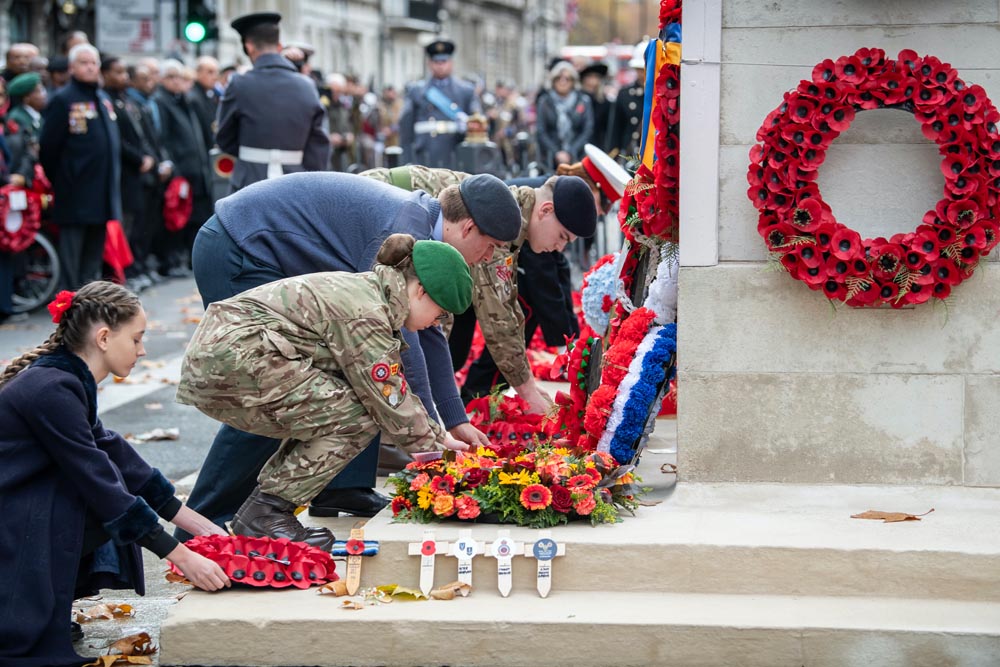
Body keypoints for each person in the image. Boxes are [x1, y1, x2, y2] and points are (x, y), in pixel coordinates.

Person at [175, 171, 519, 537]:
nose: (487, 258)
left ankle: (332, 490)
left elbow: (423, 339)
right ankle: (210, 524)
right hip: (240, 245)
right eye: (490, 246)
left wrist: (451, 421)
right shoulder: (390, 261)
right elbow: (390, 380)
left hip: (254, 288)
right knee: (305, 402)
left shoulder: (406, 274)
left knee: (334, 397)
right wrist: (436, 449)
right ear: (467, 229)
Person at [177, 236, 474, 546]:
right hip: (235, 359)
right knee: (356, 417)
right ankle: (266, 512)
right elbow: (387, 396)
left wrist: (438, 438)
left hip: (234, 355)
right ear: (421, 291)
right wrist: (436, 458)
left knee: (342, 407)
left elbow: (391, 386)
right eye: (439, 313)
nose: (435, 323)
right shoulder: (365, 312)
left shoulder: (371, 294)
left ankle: (266, 510)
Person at [0, 282, 229, 667]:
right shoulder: (51, 388)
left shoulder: (65, 379)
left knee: (113, 494)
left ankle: (51, 607)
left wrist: (196, 523)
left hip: (17, 503)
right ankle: (22, 620)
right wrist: (181, 557)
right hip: (12, 513)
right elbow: (98, 479)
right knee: (103, 499)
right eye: (137, 339)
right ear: (104, 337)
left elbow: (113, 451)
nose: (142, 351)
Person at [361, 166, 597, 404]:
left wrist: (528, 387)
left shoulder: (511, 212)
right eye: (562, 237)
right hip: (371, 212)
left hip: (382, 208)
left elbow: (506, 302)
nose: (559, 248)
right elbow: (498, 317)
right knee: (391, 320)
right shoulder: (501, 221)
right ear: (546, 210)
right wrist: (528, 395)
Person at [215, 12, 330, 192]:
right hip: (295, 184)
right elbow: (318, 144)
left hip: (249, 181)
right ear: (279, 46)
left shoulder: (239, 84)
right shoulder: (307, 86)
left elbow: (224, 138)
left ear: (249, 46)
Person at [39, 44, 121, 291]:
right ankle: (68, 304)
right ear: (72, 67)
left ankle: (88, 300)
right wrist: (65, 178)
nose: (90, 67)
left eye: (93, 62)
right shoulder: (63, 99)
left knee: (93, 256)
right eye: (84, 62)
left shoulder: (102, 98)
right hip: (75, 191)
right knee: (72, 257)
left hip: (102, 190)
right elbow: (48, 148)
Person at [398, 39, 480, 167]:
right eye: (436, 62)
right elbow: (406, 129)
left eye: (444, 61)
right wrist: (407, 159)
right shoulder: (416, 91)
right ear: (429, 64)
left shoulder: (466, 91)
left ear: (451, 63)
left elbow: (478, 125)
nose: (440, 66)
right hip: (424, 154)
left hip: (455, 153)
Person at [535, 61, 594, 170]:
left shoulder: (583, 100)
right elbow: (541, 131)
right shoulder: (545, 101)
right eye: (559, 78)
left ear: (573, 81)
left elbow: (587, 130)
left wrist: (571, 151)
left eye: (567, 78)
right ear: (553, 81)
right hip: (550, 159)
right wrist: (556, 152)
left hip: (578, 156)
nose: (563, 82)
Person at [5, 71, 46, 189]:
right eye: (39, 91)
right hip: (25, 175)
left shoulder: (36, 115)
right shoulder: (17, 117)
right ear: (27, 98)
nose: (44, 94)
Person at [610, 41, 648, 158]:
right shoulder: (624, 94)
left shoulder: (664, 95)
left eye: (646, 68)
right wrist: (614, 156)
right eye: (639, 69)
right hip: (630, 156)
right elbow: (615, 130)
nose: (642, 73)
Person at [579, 61, 612, 153]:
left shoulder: (604, 103)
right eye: (589, 77)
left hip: (598, 147)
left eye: (596, 77)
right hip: (579, 146)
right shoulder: (577, 100)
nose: (593, 81)